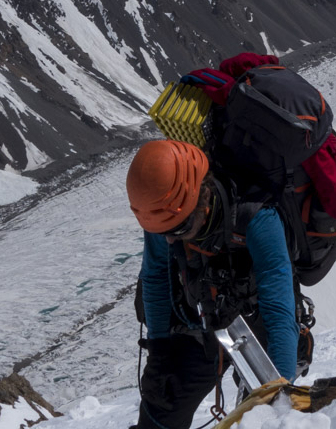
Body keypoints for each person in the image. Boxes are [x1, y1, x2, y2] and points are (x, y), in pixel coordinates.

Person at [127, 138, 299, 429]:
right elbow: (155, 277)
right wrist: (160, 353)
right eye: (162, 232)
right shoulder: (165, 210)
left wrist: (277, 397)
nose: (169, 240)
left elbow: (279, 308)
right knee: (162, 407)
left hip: (258, 320)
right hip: (196, 316)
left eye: (178, 229)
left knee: (265, 410)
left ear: (201, 199)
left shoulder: (256, 216)